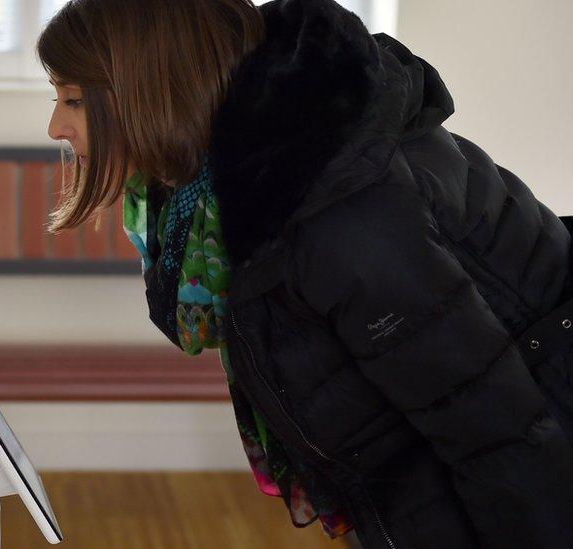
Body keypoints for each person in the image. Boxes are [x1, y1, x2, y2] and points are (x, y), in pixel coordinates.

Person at [37, 0, 573, 548]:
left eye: (75, 100)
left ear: (154, 87)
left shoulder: (338, 211)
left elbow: (494, 429)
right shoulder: (229, 195)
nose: (56, 125)